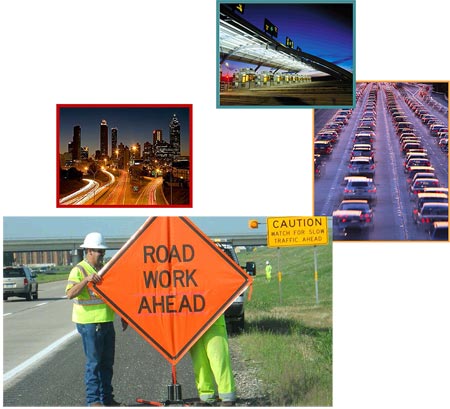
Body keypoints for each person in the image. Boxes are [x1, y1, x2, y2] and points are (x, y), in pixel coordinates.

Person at [66, 232, 127, 407]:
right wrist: (86, 280)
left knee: (107, 363)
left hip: (106, 321)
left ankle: (107, 399)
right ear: (89, 251)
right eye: (99, 251)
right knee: (94, 363)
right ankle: (93, 401)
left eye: (103, 251)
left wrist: (122, 314)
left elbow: (113, 295)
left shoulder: (103, 269)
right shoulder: (79, 270)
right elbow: (70, 293)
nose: (102, 254)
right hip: (89, 323)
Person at [189, 315, 236, 406]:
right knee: (200, 363)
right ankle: (206, 396)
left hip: (214, 321)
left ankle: (227, 396)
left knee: (219, 360)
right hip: (192, 323)